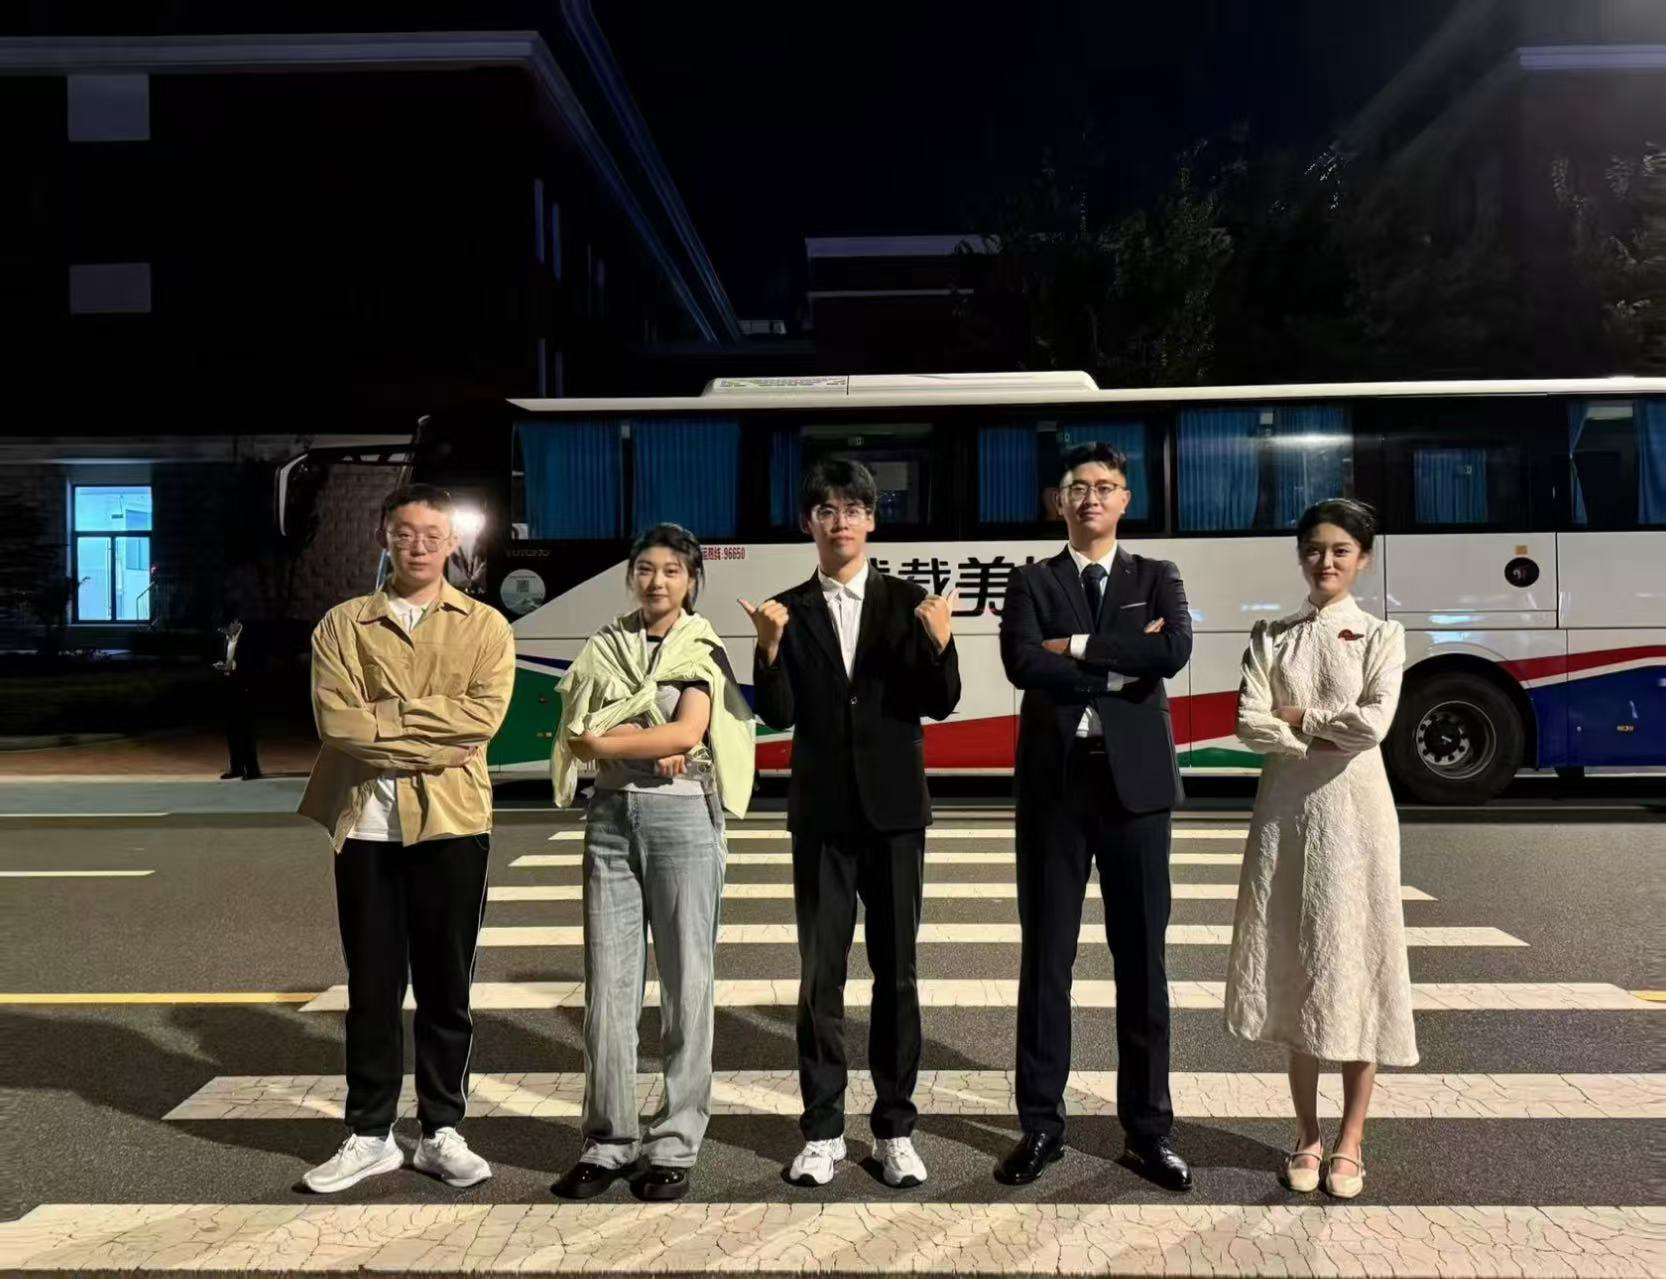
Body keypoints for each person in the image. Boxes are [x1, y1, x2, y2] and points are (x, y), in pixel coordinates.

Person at [741, 458, 960, 1190]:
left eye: (854, 509)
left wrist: (941, 640)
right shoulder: (785, 608)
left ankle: (895, 1128)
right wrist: (767, 650)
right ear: (810, 522)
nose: (841, 522)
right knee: (821, 976)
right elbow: (778, 715)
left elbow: (942, 701)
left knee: (896, 974)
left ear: (872, 520)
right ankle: (823, 1130)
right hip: (823, 816)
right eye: (827, 510)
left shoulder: (910, 601)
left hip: (895, 812)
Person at [297, 484, 515, 1194]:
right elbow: (338, 725)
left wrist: (384, 719)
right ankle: (370, 1133)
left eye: (431, 534)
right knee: (372, 985)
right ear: (383, 538)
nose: (417, 545)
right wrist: (430, 728)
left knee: (447, 986)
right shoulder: (342, 625)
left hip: (453, 821)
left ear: (453, 543)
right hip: (365, 822)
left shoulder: (485, 626)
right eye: (403, 532)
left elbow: (481, 720)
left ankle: (442, 1128)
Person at [996, 442, 1194, 1192]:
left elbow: (1172, 652)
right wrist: (1123, 661)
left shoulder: (1157, 575)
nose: (1090, 498)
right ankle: (1041, 1126)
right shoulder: (1030, 579)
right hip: (1056, 787)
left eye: (1105, 486)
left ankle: (1149, 1130)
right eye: (1077, 487)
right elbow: (1023, 662)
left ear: (1124, 498)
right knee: (1047, 962)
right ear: (1060, 500)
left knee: (1142, 961)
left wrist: (1077, 646)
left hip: (1136, 789)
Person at [548, 523, 755, 1203]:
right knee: (607, 989)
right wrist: (637, 741)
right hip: (610, 819)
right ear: (631, 576)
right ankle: (607, 1141)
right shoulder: (606, 643)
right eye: (645, 568)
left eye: (671, 570)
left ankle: (674, 1142)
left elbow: (688, 730)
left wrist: (612, 741)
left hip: (683, 820)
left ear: (692, 580)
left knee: (687, 985)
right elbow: (577, 728)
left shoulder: (701, 645)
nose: (657, 580)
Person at [1226, 497, 1415, 1200]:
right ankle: (1306, 1133)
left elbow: (1374, 724)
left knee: (1360, 963)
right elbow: (1249, 721)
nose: (1325, 560)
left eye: (1340, 550)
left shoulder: (1383, 635)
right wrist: (1316, 736)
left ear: (1363, 559)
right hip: (1286, 815)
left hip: (1358, 816)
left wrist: (1300, 717)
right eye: (1314, 548)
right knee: (1298, 964)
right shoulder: (1271, 634)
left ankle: (1352, 1140)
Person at [214, 611, 262, 780]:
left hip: (246, 689)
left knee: (246, 731)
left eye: (225, 628)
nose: (224, 632)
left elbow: (254, 662)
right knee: (232, 730)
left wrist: (232, 667)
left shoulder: (249, 638)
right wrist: (223, 666)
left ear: (234, 623)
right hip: (230, 688)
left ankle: (252, 769)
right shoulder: (227, 639)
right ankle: (236, 767)